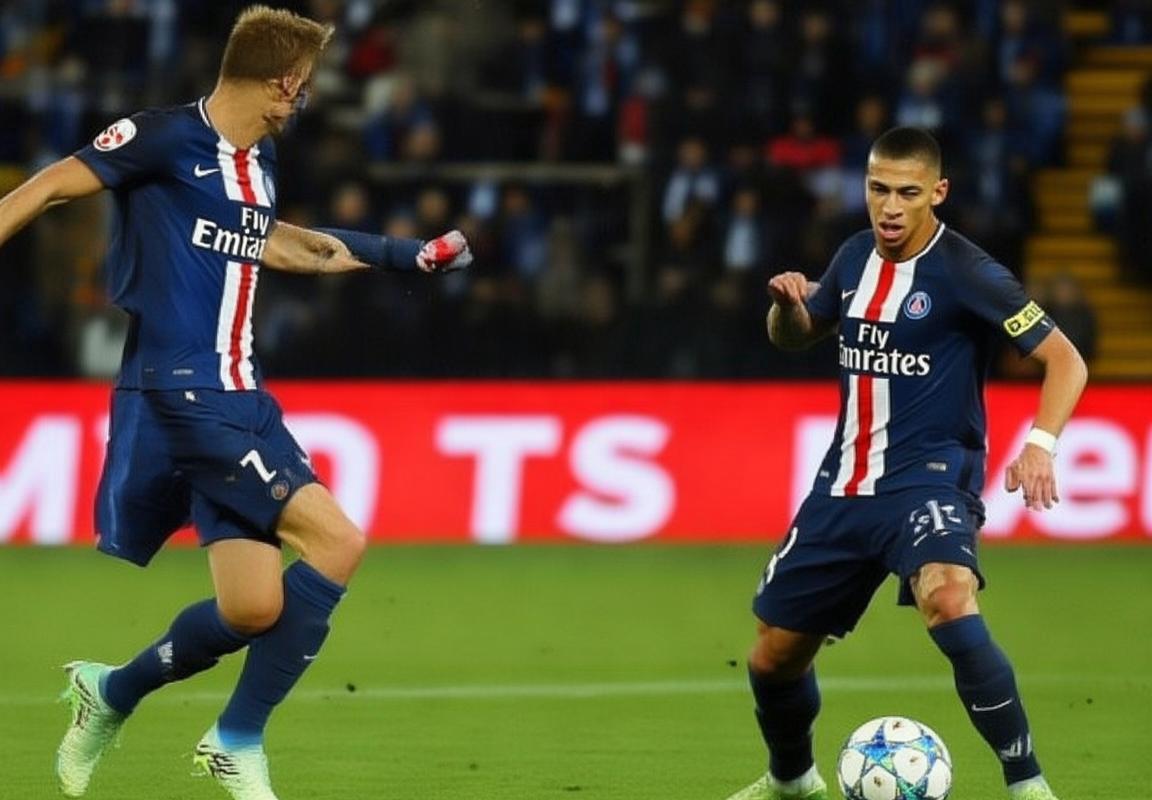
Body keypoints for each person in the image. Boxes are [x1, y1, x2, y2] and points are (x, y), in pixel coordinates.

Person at [0, 7, 471, 800]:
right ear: (282, 83)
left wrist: (405, 257)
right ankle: (235, 738)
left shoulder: (257, 163)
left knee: (252, 608)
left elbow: (275, 242)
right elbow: (48, 188)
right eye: (304, 85)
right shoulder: (159, 138)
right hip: (185, 395)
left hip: (242, 393)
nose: (305, 99)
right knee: (338, 544)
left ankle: (110, 691)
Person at [723, 127, 1086, 800]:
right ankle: (792, 779)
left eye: (908, 193)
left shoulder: (969, 272)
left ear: (937, 192)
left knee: (948, 597)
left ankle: (1028, 784)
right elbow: (796, 337)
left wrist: (1041, 443)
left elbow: (1066, 359)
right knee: (773, 656)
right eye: (878, 190)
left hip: (929, 479)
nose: (890, 207)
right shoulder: (853, 256)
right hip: (844, 484)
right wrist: (786, 308)